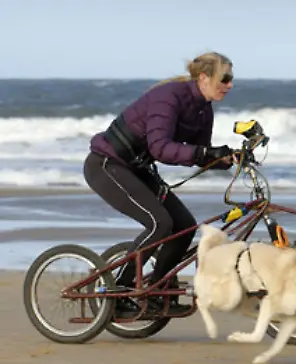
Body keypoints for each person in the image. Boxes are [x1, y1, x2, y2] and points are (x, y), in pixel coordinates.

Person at [83, 51, 236, 315]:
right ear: (204, 78)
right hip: (107, 165)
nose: (229, 85)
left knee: (184, 227)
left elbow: (200, 153)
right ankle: (117, 294)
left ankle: (155, 293)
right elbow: (162, 148)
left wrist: (227, 157)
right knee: (160, 224)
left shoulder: (203, 109)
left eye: (231, 79)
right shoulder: (169, 97)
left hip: (137, 168)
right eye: (225, 78)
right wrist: (202, 154)